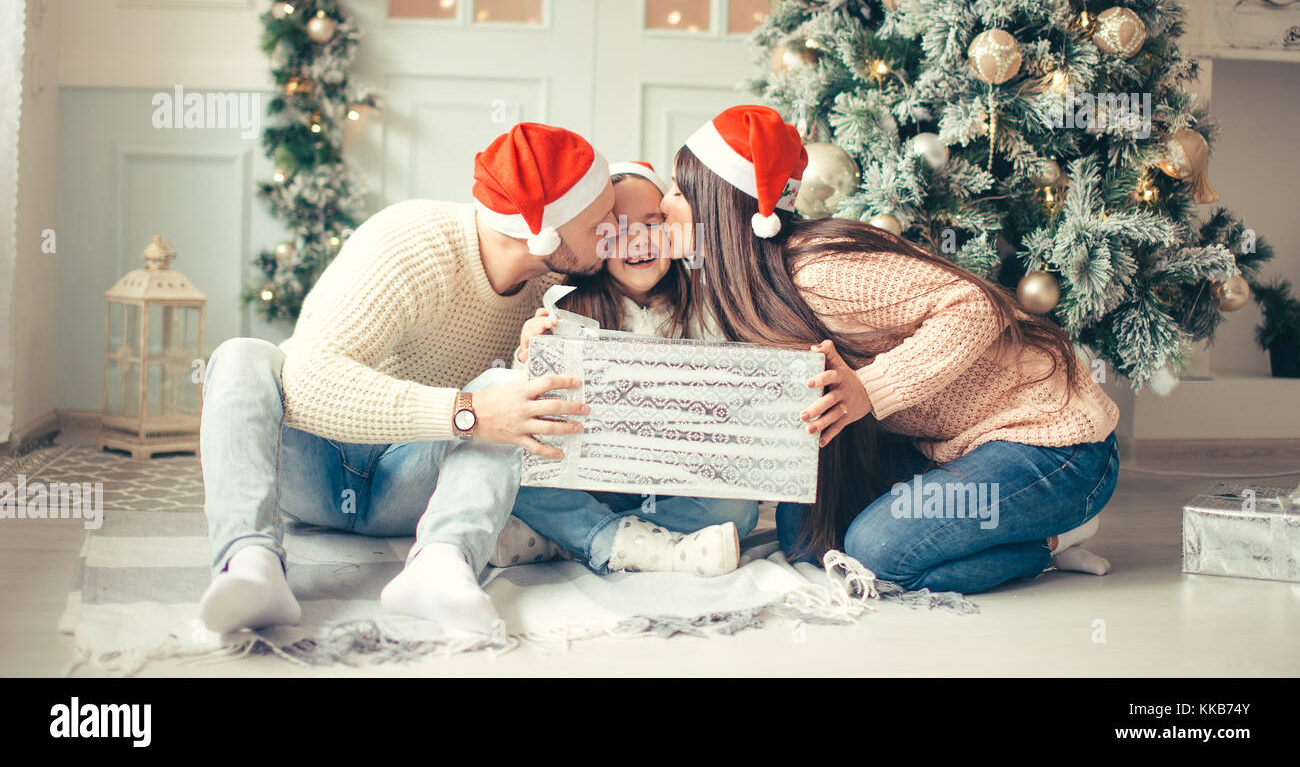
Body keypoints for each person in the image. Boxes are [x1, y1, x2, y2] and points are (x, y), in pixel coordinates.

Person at [656, 104, 1121, 595]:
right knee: (806, 541)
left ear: (719, 205)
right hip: (950, 445)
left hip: (1053, 441)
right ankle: (1005, 526)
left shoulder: (817, 272)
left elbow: (975, 306)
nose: (665, 206)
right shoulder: (748, 292)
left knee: (875, 555)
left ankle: (1050, 538)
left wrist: (869, 389)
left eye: (679, 191)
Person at [196, 122, 615, 638]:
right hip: (314, 465)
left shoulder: (559, 287)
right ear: (543, 232)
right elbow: (307, 380)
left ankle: (441, 565)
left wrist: (523, 367)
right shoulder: (413, 241)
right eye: (601, 217)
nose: (614, 227)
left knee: (510, 387)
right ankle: (250, 565)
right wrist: (470, 412)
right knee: (242, 354)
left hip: (413, 484)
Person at [491, 161, 759, 576]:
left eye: (653, 224)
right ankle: (616, 538)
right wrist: (529, 355)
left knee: (739, 510)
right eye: (616, 230)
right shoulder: (565, 308)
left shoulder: (708, 310)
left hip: (672, 483)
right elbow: (529, 409)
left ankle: (564, 539)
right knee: (512, 471)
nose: (637, 241)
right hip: (591, 479)